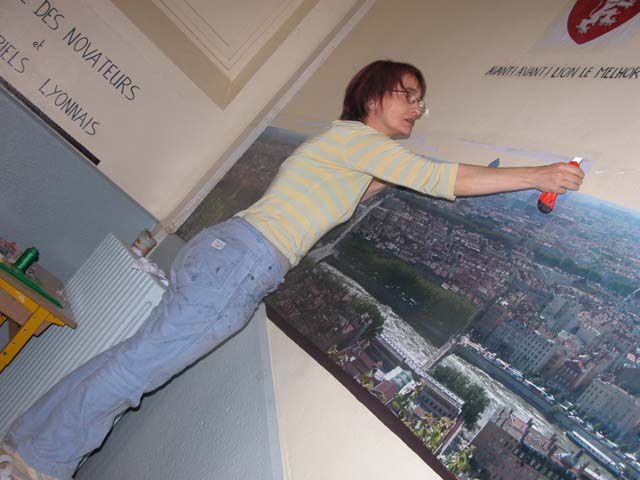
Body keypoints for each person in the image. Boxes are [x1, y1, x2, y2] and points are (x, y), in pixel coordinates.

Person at [0, 60, 584, 480]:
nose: (417, 107)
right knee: (135, 374)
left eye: (420, 100)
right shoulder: (358, 140)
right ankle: (37, 465)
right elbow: (439, 178)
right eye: (408, 94)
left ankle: (27, 446)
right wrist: (538, 175)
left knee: (130, 360)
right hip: (244, 261)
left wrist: (470, 171)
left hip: (230, 253)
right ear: (372, 95)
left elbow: (376, 187)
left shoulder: (346, 149)